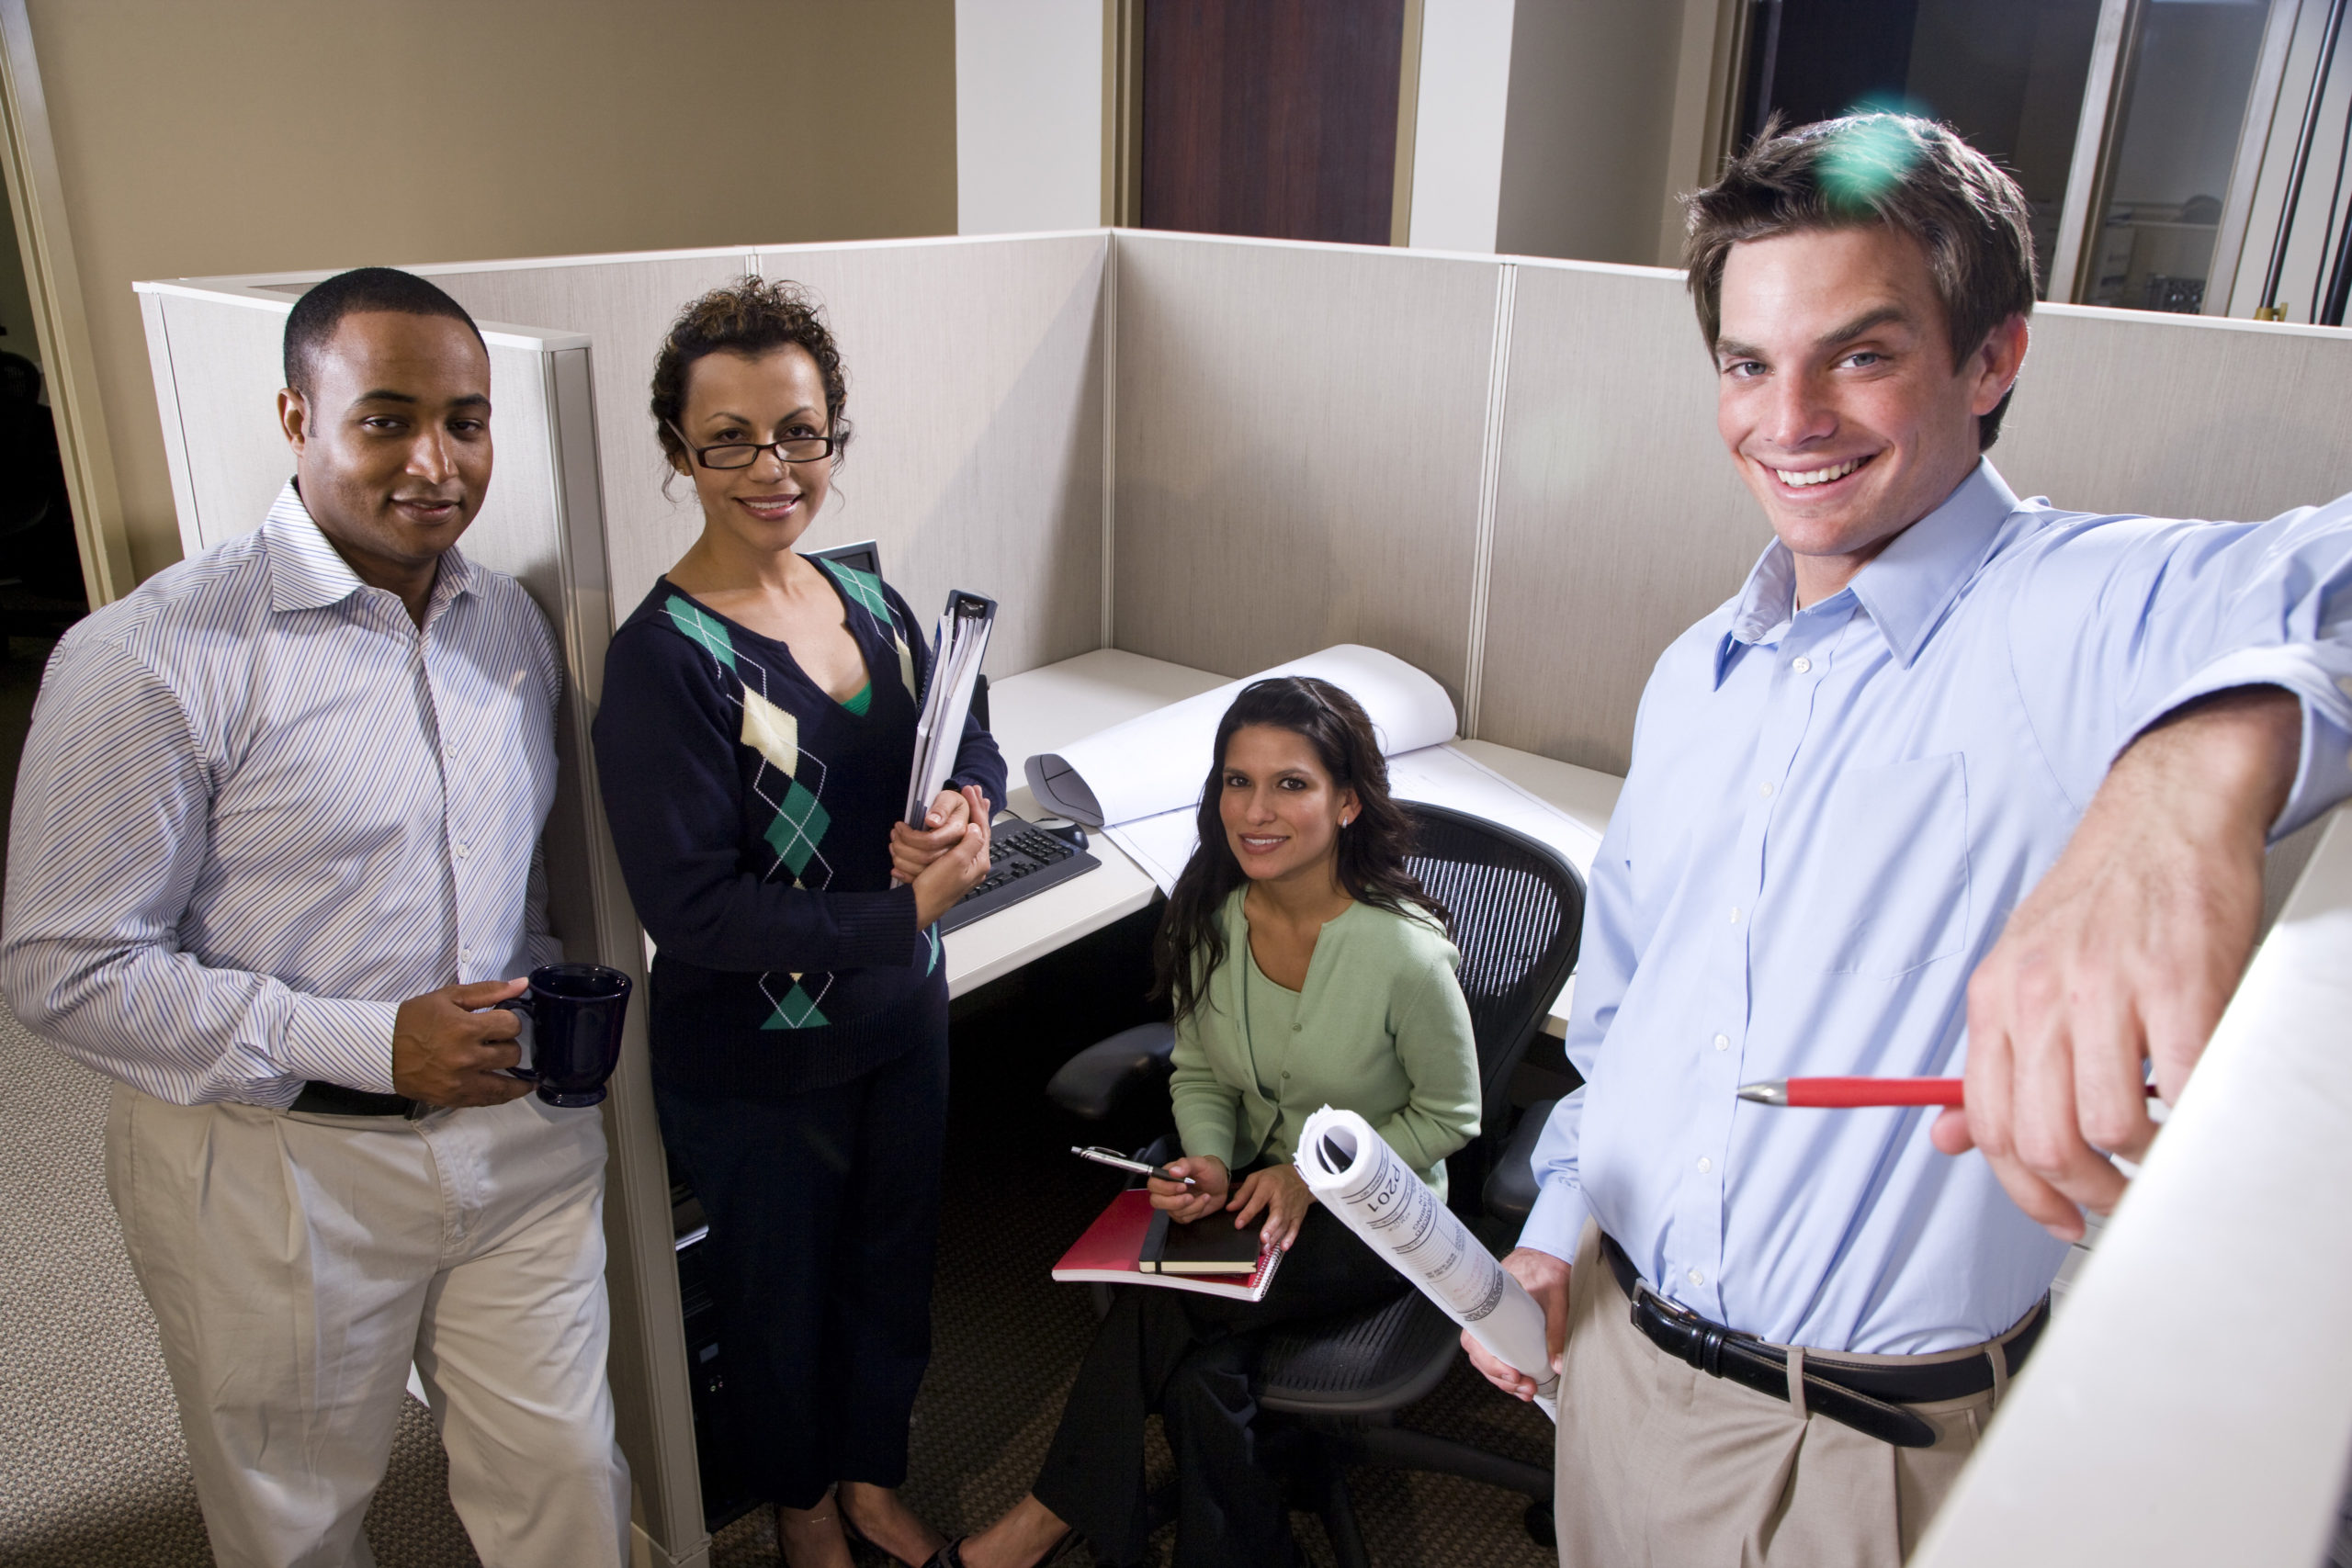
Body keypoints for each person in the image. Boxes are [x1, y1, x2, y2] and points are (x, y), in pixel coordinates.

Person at [1464, 113, 2352, 1566]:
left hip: (1856, 1454)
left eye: (1860, 354)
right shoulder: (1702, 667)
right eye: (1749, 363)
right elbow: (1628, 1012)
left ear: (1991, 357)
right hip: (1614, 1372)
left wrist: (2189, 770)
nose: (1789, 417)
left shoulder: (2066, 616)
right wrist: (1561, 1224)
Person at [0, 267, 630, 1568]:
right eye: (386, 418)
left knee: (569, 1479)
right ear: (297, 416)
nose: (435, 462)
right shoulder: (154, 655)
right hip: (272, 1171)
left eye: (466, 419)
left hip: (515, 1144)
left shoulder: (508, 621)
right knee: (296, 1519)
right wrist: (367, 1040)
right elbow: (63, 968)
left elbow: (527, 884)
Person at [591, 276, 1002, 1568]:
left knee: (890, 1270)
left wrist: (966, 817)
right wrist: (898, 914)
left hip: (901, 1017)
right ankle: (804, 1509)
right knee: (778, 1303)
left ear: (833, 436)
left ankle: (870, 1470)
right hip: (762, 1053)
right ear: (679, 451)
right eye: (732, 437)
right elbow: (695, 910)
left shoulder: (867, 598)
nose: (773, 466)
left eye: (802, 431)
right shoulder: (664, 658)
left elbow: (965, 731)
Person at [947, 675, 1482, 1568]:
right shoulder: (1213, 915)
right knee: (1201, 1380)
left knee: (1171, 1317)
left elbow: (1450, 1116)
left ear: (1347, 802)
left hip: (1379, 1215)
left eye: (1291, 784)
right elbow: (1198, 1069)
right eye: (1238, 781)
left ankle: (1041, 1520)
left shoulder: (1404, 955)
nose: (1256, 810)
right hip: (1245, 1191)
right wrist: (1205, 1156)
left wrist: (1309, 1177)